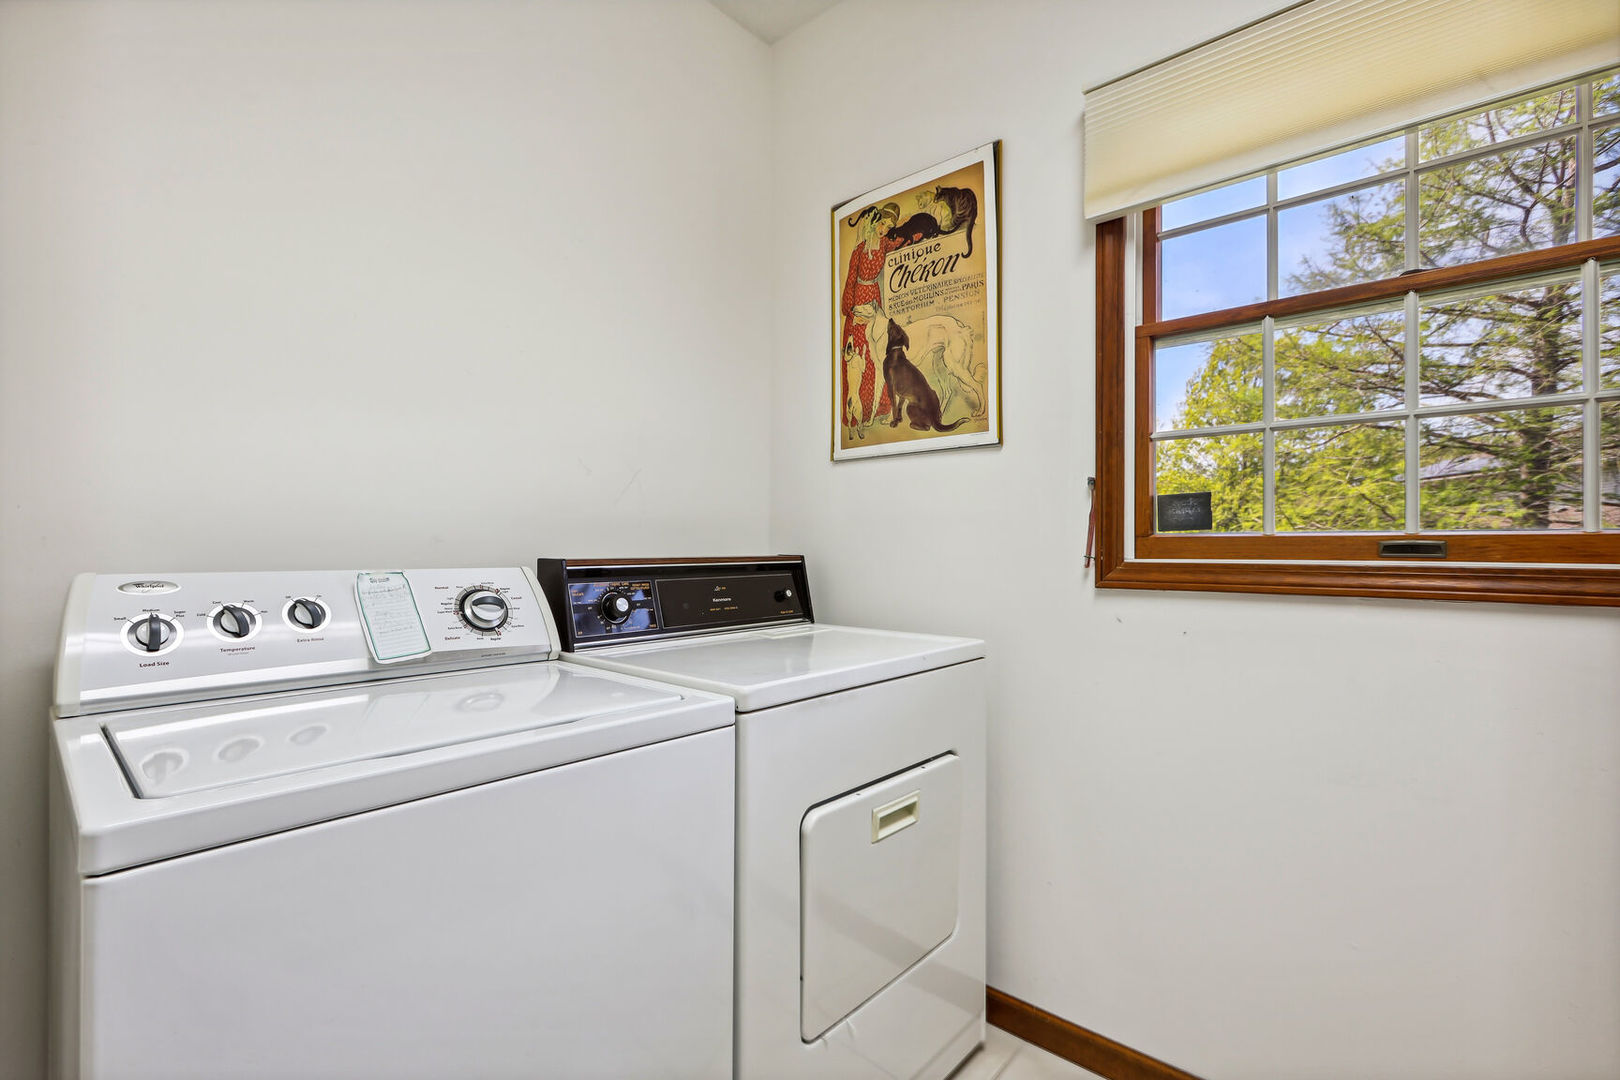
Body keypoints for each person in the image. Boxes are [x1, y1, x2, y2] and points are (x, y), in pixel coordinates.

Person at [839, 203, 903, 431]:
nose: (884, 229)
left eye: (889, 226)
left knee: (876, 350)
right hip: (859, 298)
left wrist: (914, 231)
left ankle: (877, 407)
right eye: (883, 223)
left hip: (874, 298)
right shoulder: (859, 249)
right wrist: (851, 311)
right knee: (859, 353)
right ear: (876, 222)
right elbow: (850, 280)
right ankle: (859, 412)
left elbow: (901, 243)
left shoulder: (885, 244)